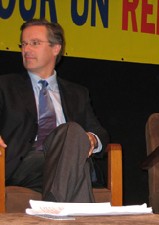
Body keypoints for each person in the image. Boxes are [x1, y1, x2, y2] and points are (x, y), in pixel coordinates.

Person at [0, 18, 109, 203]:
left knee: (71, 132)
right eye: (24, 44)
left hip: (70, 160)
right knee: (73, 151)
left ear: (56, 48)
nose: (26, 50)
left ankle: (54, 208)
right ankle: (69, 217)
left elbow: (101, 133)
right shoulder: (5, 86)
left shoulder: (77, 93)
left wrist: (91, 138)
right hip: (23, 165)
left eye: (34, 43)